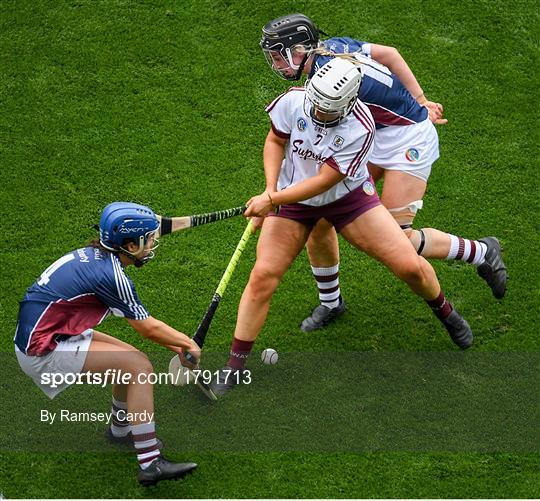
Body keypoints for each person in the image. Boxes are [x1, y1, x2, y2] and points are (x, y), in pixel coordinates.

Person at [210, 58, 475, 397]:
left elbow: (324, 182)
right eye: (315, 107)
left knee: (408, 265)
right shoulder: (295, 100)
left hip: (347, 199)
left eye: (327, 111)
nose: (318, 115)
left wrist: (273, 200)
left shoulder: (360, 127)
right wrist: (269, 190)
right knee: (262, 276)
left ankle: (446, 312)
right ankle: (234, 367)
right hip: (291, 202)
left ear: (349, 103)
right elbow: (276, 140)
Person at [260, 13, 507, 332]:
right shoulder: (335, 47)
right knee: (321, 216)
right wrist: (421, 99)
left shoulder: (322, 85)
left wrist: (419, 107)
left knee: (398, 236)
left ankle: (483, 251)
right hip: (371, 134)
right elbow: (389, 53)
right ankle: (331, 303)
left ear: (303, 48)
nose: (278, 64)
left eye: (281, 55)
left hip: (408, 139)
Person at [14, 202, 200, 486]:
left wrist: (179, 347)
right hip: (43, 350)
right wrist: (188, 344)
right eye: (147, 240)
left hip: (45, 333)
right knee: (139, 367)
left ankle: (121, 430)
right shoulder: (111, 276)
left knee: (130, 358)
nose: (152, 244)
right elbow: (147, 327)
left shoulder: (96, 255)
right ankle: (151, 463)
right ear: (130, 245)